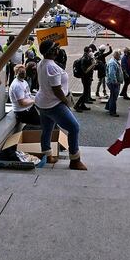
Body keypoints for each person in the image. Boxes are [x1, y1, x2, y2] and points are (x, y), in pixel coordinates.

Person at [34, 40, 87, 170]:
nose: (58, 50)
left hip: (42, 103)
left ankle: (46, 155)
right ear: (52, 51)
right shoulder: (52, 67)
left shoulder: (41, 63)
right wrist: (66, 102)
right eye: (56, 48)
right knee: (74, 127)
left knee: (47, 129)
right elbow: (57, 90)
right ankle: (75, 160)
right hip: (54, 104)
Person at [73, 46, 96, 112]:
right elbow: (85, 71)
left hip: (88, 77)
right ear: (87, 51)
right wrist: (92, 64)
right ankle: (76, 105)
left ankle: (82, 104)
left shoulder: (87, 58)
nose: (91, 52)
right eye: (90, 51)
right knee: (85, 92)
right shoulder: (84, 59)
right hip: (85, 78)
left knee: (86, 92)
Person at [105, 49, 124, 116]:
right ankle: (112, 111)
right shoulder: (113, 63)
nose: (120, 56)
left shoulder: (114, 62)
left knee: (112, 96)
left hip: (114, 82)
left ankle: (108, 107)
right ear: (116, 55)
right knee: (114, 97)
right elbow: (112, 74)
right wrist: (115, 82)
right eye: (120, 55)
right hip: (113, 83)